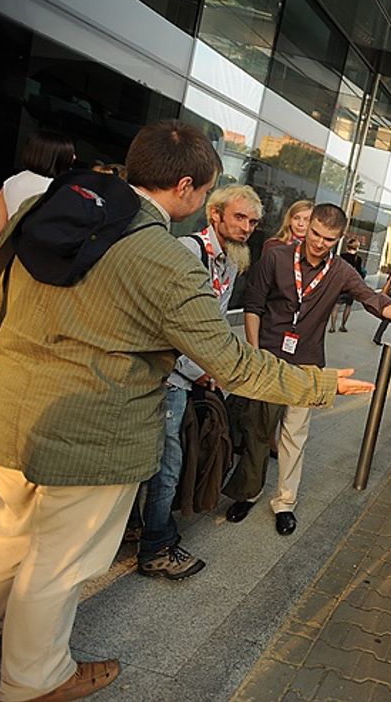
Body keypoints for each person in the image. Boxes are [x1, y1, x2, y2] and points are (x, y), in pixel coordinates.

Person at [0, 120, 373, 702]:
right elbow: (235, 365)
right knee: (56, 563)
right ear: (189, 188)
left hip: (9, 413)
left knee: (5, 535)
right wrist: (320, 386)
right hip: (90, 437)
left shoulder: (49, 208)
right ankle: (33, 679)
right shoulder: (167, 260)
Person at [225, 208, 391, 536]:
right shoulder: (276, 257)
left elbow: (373, 300)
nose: (318, 243)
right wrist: (257, 354)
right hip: (269, 357)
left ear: (338, 238)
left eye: (328, 239)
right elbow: (254, 305)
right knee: (258, 430)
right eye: (314, 233)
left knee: (294, 436)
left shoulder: (340, 271)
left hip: (309, 364)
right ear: (307, 226)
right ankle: (249, 492)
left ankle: (285, 502)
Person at [128, 184, 264, 580]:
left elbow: (212, 324)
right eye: (240, 217)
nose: (247, 228)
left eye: (253, 222)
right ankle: (155, 547)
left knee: (162, 462)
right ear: (215, 214)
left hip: (189, 377)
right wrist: (200, 367)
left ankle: (139, 528)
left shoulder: (231, 260)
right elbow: (166, 321)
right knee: (167, 467)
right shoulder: (189, 251)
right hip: (168, 376)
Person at [0, 131, 75, 279]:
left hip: (6, 258)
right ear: (54, 156)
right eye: (69, 154)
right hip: (36, 264)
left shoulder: (12, 182)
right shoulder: (57, 188)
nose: (74, 158)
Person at [329, 237, 365, 333]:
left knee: (336, 305)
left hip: (341, 284)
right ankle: (343, 325)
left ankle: (332, 326)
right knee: (348, 306)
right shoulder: (358, 259)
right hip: (351, 285)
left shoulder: (342, 256)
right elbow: (358, 273)